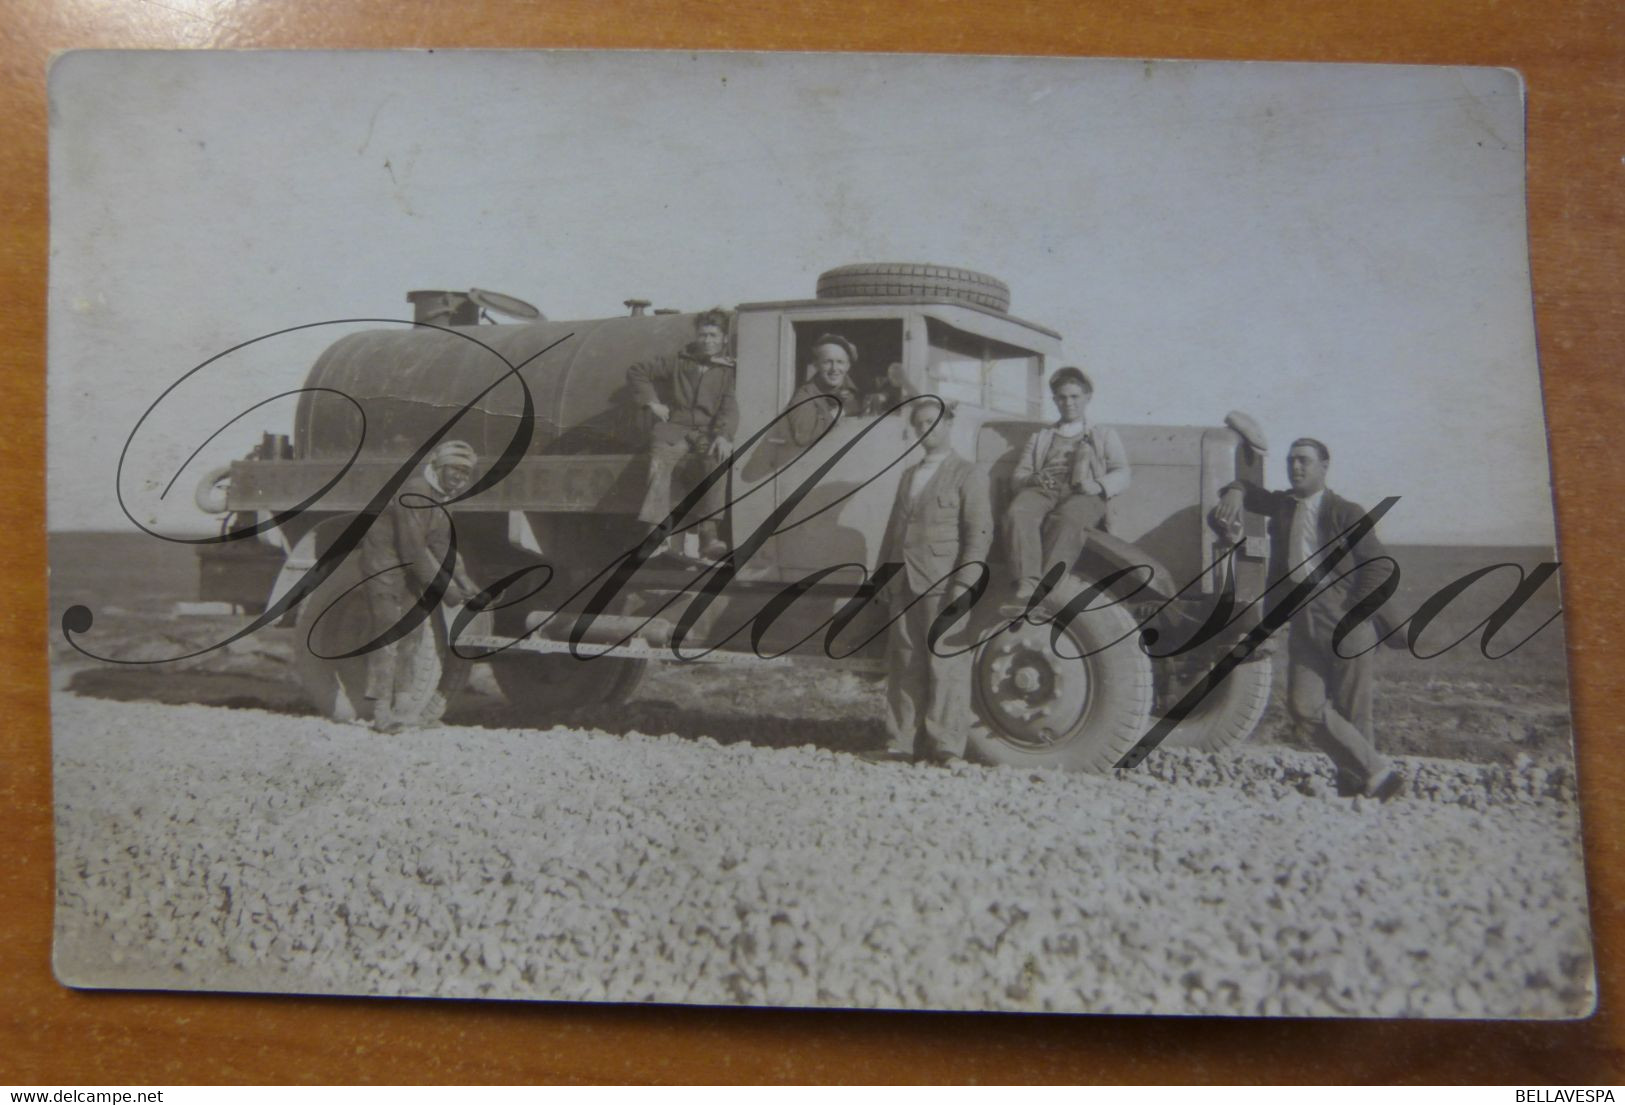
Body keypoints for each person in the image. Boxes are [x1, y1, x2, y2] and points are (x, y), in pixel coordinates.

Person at [1212, 437, 1405, 801]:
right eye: (1291, 461)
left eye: (1304, 461)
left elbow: (1378, 567)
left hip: (1344, 615)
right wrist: (1236, 491)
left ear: (1324, 467)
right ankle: (1377, 772)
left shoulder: (1345, 511)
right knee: (1303, 705)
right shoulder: (1285, 506)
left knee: (1352, 710)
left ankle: (1358, 788)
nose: (1295, 467)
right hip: (1302, 617)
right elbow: (1252, 492)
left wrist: (1353, 610)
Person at [871, 401, 993, 765]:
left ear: (949, 425)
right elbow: (896, 530)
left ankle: (946, 747)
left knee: (947, 663)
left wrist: (965, 584)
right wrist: (885, 577)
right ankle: (901, 743)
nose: (928, 429)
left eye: (933, 422)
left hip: (944, 583)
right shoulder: (909, 475)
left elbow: (978, 533)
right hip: (905, 581)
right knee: (905, 663)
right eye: (920, 424)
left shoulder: (968, 474)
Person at [360, 439, 481, 733]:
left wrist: (466, 582)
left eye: (466, 474)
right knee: (389, 633)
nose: (461, 479)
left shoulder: (442, 497)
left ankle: (403, 710)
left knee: (412, 635)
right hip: (385, 566)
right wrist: (450, 592)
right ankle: (381, 714)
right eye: (455, 471)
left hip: (409, 566)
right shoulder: (415, 492)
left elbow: (442, 545)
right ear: (439, 468)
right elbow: (414, 550)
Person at [1004, 366, 1131, 605]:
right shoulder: (1041, 437)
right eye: (1062, 397)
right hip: (1044, 490)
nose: (1068, 403)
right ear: (1054, 400)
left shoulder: (1103, 434)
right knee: (1017, 512)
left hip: (1084, 493)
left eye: (1075, 397)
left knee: (1069, 519)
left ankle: (1046, 587)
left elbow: (1123, 471)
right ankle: (1027, 583)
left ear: (1087, 398)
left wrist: (1099, 485)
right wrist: (1032, 479)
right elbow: (1019, 475)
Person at [627, 308, 738, 560]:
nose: (707, 340)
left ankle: (709, 534)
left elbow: (729, 407)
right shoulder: (679, 361)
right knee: (660, 461)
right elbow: (638, 371)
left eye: (713, 335)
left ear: (722, 339)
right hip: (674, 428)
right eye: (703, 334)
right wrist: (652, 402)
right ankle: (655, 532)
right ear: (697, 336)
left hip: (706, 432)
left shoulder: (727, 371)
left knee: (717, 461)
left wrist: (724, 435)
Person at [784, 333, 862, 446]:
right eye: (827, 362)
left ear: (848, 366)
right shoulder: (804, 395)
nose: (834, 369)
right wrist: (841, 411)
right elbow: (804, 437)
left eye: (840, 362)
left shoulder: (854, 391)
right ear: (816, 365)